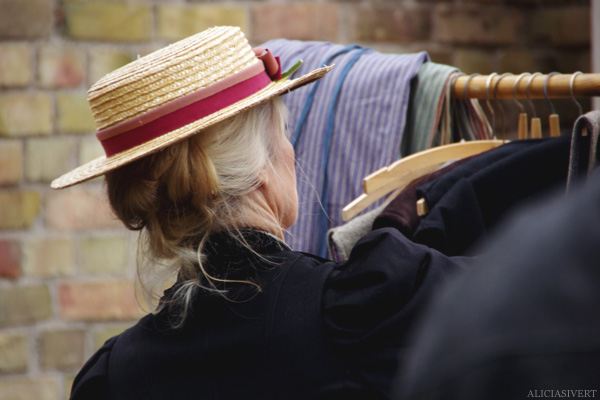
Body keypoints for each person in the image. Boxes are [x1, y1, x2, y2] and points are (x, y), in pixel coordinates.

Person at [53, 26, 469, 400]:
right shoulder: (367, 309)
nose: (292, 150)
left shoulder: (113, 377)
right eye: (284, 135)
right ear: (261, 170)